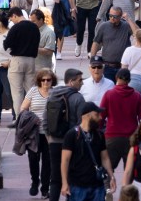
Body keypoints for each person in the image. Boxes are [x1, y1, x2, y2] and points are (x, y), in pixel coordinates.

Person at [43, 68, 86, 201]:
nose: (82, 83)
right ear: (71, 81)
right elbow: (82, 122)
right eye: (80, 80)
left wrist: (49, 137)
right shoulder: (78, 97)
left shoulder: (53, 95)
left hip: (54, 141)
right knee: (72, 176)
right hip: (71, 143)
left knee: (55, 177)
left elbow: (45, 120)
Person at [60, 102, 117, 200]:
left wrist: (111, 176)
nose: (100, 118)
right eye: (96, 114)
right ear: (87, 115)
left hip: (97, 185)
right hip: (77, 185)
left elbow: (105, 157)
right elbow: (65, 161)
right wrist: (64, 183)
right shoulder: (72, 134)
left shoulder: (99, 135)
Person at [100, 69, 141, 176]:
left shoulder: (109, 94)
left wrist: (99, 131)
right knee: (130, 168)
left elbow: (101, 116)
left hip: (112, 135)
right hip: (131, 137)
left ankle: (108, 188)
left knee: (108, 166)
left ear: (116, 78)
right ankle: (128, 190)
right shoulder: (136, 96)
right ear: (129, 80)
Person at [21, 69, 56, 198]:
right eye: (43, 80)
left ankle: (45, 189)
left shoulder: (55, 93)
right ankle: (35, 181)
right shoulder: (33, 91)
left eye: (48, 80)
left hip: (49, 133)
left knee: (48, 162)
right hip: (34, 133)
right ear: (39, 81)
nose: (46, 82)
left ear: (52, 81)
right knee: (33, 159)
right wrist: (31, 118)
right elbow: (23, 108)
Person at [3, 7, 40, 119]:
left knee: (17, 92)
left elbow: (6, 45)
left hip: (17, 60)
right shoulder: (35, 27)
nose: (11, 21)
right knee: (31, 90)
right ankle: (34, 117)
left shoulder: (15, 28)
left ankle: (20, 118)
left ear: (15, 15)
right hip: (31, 61)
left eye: (11, 18)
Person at [91, 7, 137, 82]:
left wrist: (129, 20)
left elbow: (138, 34)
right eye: (110, 16)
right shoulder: (104, 26)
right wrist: (92, 59)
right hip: (107, 66)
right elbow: (96, 43)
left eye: (115, 17)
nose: (112, 18)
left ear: (120, 16)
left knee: (122, 90)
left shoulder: (126, 26)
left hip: (123, 66)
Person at [0, 12, 13, 125]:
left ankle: (16, 116)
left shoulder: (9, 35)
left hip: (5, 67)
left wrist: (10, 62)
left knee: (9, 92)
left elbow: (16, 51)